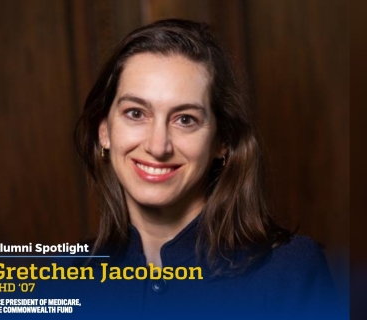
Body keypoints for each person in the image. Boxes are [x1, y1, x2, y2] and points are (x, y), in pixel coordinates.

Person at [71, 18, 340, 319]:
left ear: (221, 142)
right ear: (105, 131)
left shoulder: (290, 272)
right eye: (136, 113)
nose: (158, 146)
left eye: (185, 119)